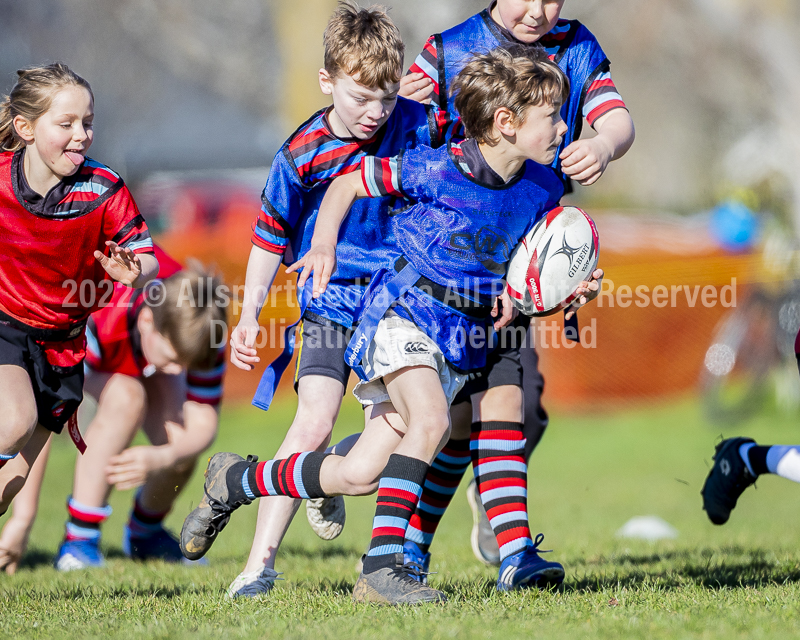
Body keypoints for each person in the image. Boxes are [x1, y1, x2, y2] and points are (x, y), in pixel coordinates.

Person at [182, 46, 602, 604]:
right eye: (553, 115)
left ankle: (235, 481)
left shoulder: (543, 188)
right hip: (400, 315)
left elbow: (531, 267)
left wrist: (566, 290)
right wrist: (325, 242)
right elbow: (348, 184)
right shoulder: (440, 167)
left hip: (457, 337)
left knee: (359, 472)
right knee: (430, 421)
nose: (562, 125)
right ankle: (382, 570)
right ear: (506, 123)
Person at [384, 0, 635, 568]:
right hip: (444, 275)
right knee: (456, 418)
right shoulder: (449, 49)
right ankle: (424, 547)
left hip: (515, 263)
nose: (541, 10)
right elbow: (397, 123)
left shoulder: (576, 46)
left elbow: (618, 119)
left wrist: (602, 145)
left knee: (519, 412)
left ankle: (500, 531)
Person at [218, 1, 443, 598]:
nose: (375, 113)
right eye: (360, 96)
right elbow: (267, 239)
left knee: (374, 461)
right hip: (327, 304)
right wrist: (248, 317)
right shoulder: (299, 153)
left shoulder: (421, 124)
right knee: (312, 418)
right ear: (327, 82)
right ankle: (259, 566)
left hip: (398, 308)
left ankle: (324, 476)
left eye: (387, 97)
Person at [0, 248, 227, 572]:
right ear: (148, 321)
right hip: (76, 344)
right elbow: (42, 416)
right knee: (126, 396)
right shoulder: (101, 314)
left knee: (182, 442)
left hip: (135, 348)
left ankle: (144, 534)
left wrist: (164, 457)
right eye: (173, 359)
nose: (180, 372)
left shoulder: (204, 329)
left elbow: (204, 426)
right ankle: (80, 540)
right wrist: (23, 518)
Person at [0, 63, 158, 521]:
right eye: (65, 124)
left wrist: (135, 273)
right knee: (12, 423)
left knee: (8, 488)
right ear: (25, 128)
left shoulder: (103, 189)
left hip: (64, 348)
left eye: (87, 123)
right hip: (7, 325)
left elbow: (145, 255)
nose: (81, 135)